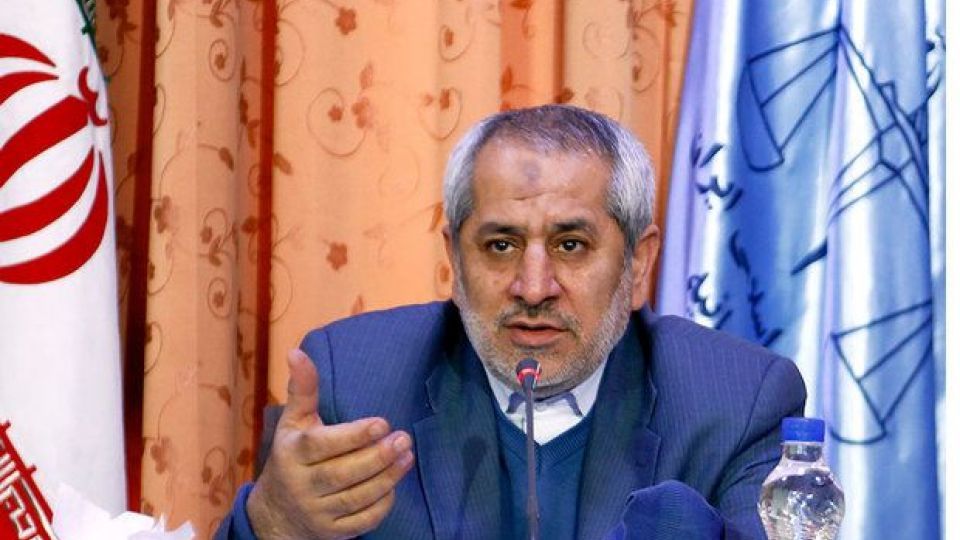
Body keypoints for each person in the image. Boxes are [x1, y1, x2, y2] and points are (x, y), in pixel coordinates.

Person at [216, 104, 806, 539]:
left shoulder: (735, 404)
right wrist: (270, 523)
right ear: (455, 259)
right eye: (500, 245)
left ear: (638, 263)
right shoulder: (353, 383)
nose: (533, 287)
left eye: (571, 245)